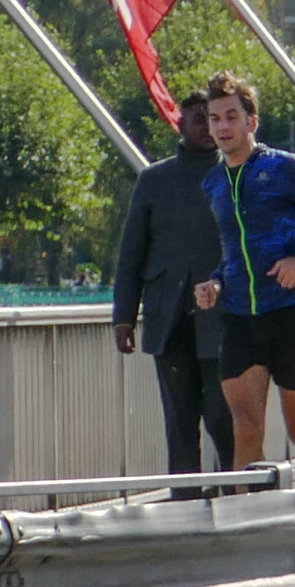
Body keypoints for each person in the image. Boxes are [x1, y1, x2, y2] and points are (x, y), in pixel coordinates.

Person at [188, 71, 295, 472]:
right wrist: (216, 282)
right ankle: (250, 515)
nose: (222, 126)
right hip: (241, 316)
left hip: (291, 312)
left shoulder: (286, 168)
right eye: (214, 118)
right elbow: (234, 250)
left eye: (230, 116)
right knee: (245, 426)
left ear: (251, 123)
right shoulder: (214, 183)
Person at [110, 90, 235, 488]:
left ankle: (236, 494)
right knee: (180, 420)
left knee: (223, 416)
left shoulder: (237, 173)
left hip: (225, 320)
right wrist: (124, 316)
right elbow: (131, 253)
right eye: (200, 119)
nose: (208, 127)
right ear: (179, 123)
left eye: (214, 119)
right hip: (169, 319)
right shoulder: (154, 179)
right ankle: (185, 503)